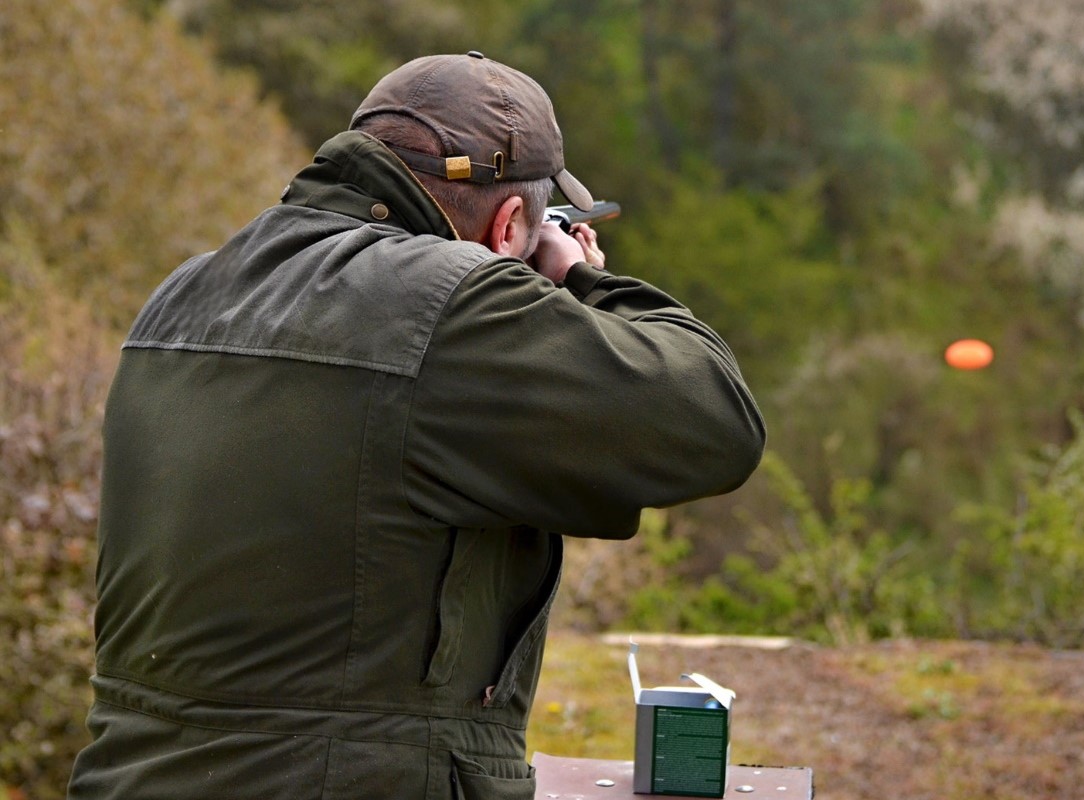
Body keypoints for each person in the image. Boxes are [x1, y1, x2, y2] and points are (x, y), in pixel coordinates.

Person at [66, 51, 766, 800]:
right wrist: (575, 276)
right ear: (507, 228)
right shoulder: (449, 308)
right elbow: (714, 419)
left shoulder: (182, 293)